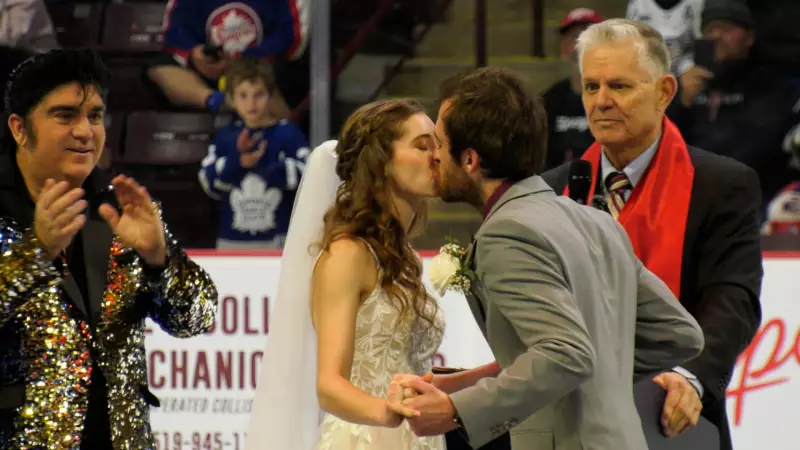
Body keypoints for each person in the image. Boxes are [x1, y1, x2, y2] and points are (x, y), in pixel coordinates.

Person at [391, 66, 705, 450]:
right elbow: (680, 335)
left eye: (438, 143)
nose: (433, 157)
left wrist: (458, 409)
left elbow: (567, 354)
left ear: (470, 160)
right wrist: (598, 374)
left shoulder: (507, 233)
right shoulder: (597, 221)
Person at [541, 19, 763, 450]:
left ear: (664, 92)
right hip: (570, 422)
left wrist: (689, 377)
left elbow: (733, 298)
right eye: (591, 87)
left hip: (675, 421)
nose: (601, 102)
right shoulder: (552, 190)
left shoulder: (722, 184)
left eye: (619, 87)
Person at [0, 49, 218, 449]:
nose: (85, 131)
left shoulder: (121, 206)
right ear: (19, 128)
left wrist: (160, 260)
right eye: (65, 116)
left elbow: (197, 319)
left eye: (95, 116)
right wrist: (36, 254)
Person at [244, 99, 453, 449]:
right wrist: (388, 411)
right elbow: (329, 385)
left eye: (438, 145)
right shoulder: (348, 253)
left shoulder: (405, 257)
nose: (436, 155)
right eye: (422, 145)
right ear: (382, 162)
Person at [198, 58, 309, 250]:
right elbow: (208, 183)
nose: (251, 103)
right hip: (231, 242)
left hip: (280, 242)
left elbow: (306, 180)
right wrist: (238, 162)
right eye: (243, 95)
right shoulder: (226, 137)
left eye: (259, 94)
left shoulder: (288, 133)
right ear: (231, 99)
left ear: (272, 95)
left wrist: (264, 162)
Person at [146, 0, 308, 118]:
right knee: (160, 68)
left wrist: (240, 61)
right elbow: (174, 32)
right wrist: (194, 54)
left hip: (262, 69)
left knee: (289, 74)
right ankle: (219, 101)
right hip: (209, 73)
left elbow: (293, 38)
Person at [541, 8, 606, 170]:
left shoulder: (622, 99)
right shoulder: (547, 102)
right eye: (573, 38)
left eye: (587, 37)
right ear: (563, 49)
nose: (580, 45)